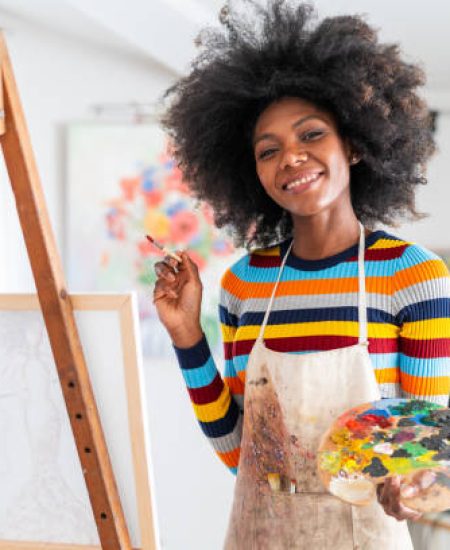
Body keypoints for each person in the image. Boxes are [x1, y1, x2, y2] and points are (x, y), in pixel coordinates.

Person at [153, 1, 450, 548]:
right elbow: (240, 456)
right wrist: (187, 337)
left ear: (355, 144)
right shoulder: (245, 284)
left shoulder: (414, 276)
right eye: (269, 150)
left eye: (311, 135)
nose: (290, 157)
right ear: (253, 172)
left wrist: (409, 480)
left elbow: (426, 442)